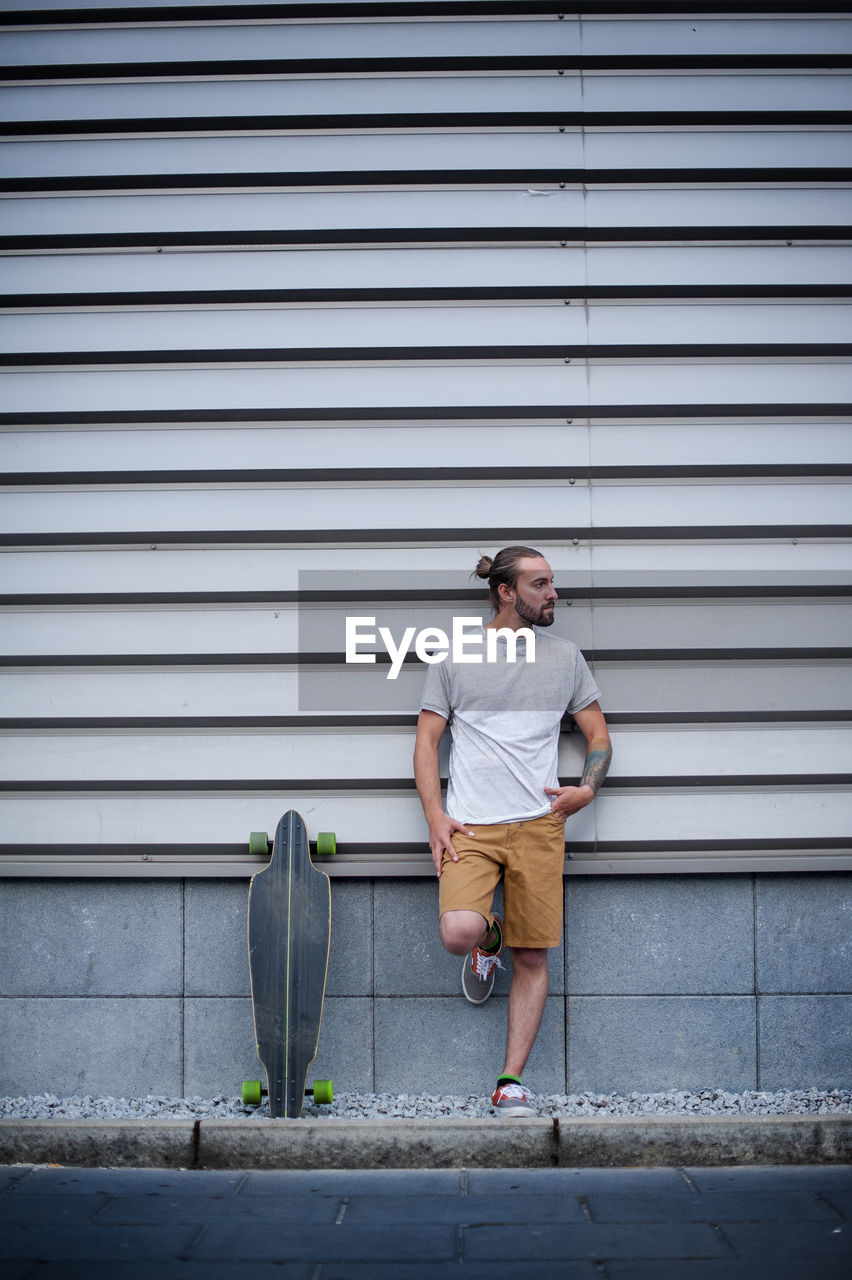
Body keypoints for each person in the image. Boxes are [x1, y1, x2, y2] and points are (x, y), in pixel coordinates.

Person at [413, 546, 611, 1116]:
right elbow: (427, 744)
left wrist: (587, 788)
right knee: (458, 933)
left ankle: (510, 1081)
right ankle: (486, 940)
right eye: (540, 584)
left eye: (553, 584)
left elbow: (599, 737)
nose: (554, 594)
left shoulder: (566, 658)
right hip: (470, 825)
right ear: (505, 591)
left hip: (539, 825)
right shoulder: (453, 657)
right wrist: (435, 816)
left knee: (532, 958)